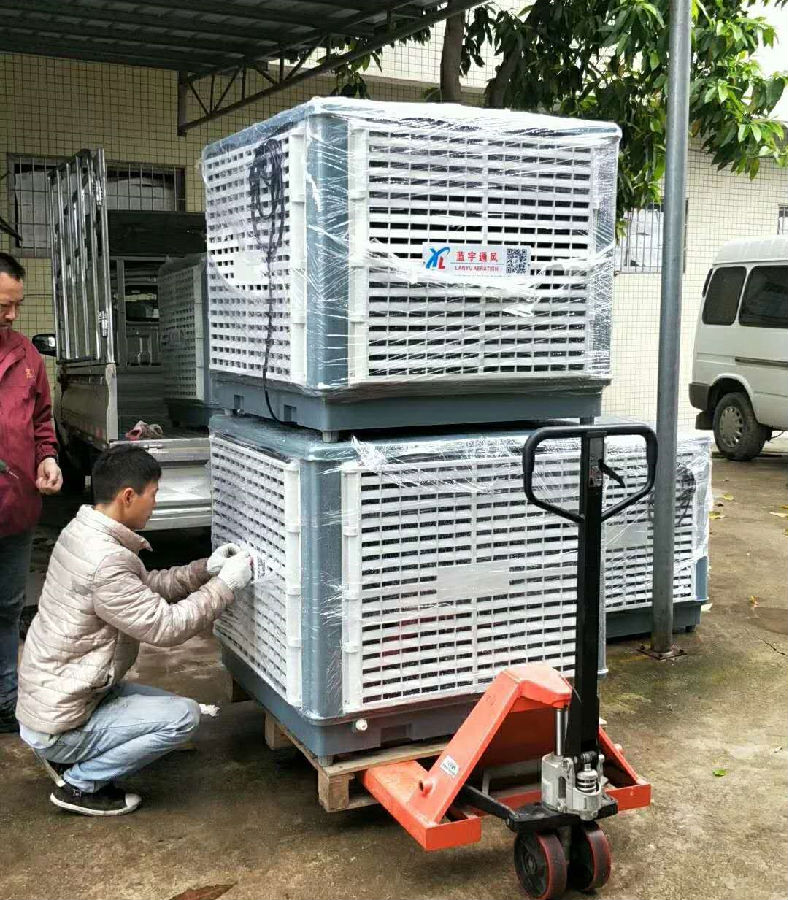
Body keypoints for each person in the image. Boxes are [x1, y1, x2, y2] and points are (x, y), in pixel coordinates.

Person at [15, 443, 253, 816]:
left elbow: (142, 590)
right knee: (182, 718)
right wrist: (226, 587)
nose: (155, 504)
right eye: (153, 494)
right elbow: (166, 627)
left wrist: (204, 570)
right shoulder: (105, 561)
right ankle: (81, 785)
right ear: (128, 496)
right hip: (59, 720)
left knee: (167, 705)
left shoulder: (84, 532)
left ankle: (72, 756)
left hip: (61, 698)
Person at [0, 252, 62, 734]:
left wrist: (47, 457)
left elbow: (42, 421)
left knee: (7, 607)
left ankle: (5, 699)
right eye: (3, 305)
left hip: (16, 509)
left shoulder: (27, 357)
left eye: (17, 305)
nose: (12, 315)